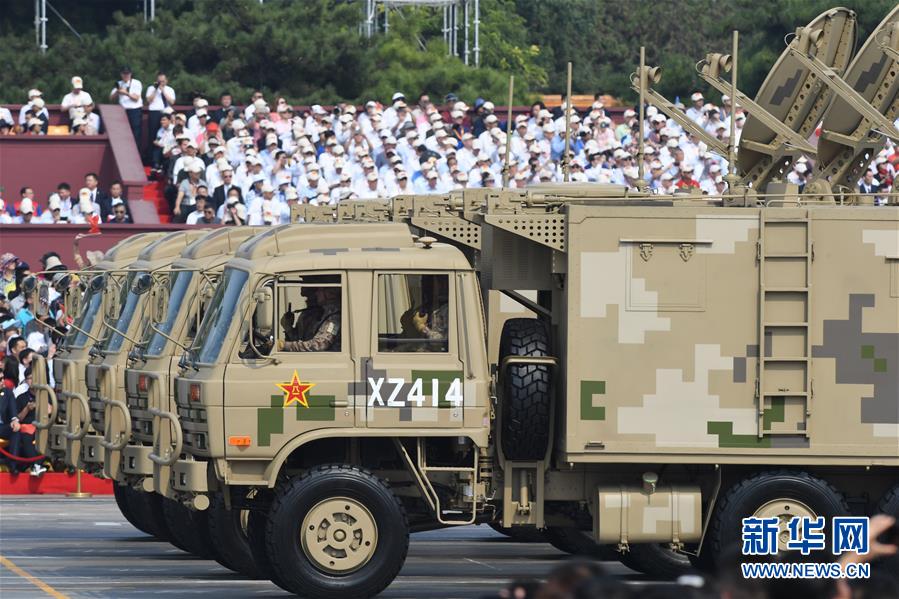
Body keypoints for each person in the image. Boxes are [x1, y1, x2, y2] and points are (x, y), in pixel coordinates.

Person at [278, 288, 340, 352]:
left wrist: (283, 345)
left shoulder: (334, 317)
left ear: (330, 294)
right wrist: (288, 327)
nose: (316, 293)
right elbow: (302, 340)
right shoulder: (321, 313)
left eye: (319, 290)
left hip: (326, 360)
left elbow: (318, 345)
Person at [110, 66, 143, 146]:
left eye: (127, 74)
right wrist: (118, 91)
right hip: (122, 111)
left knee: (135, 133)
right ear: (121, 74)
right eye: (124, 74)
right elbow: (111, 98)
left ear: (130, 74)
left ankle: (136, 152)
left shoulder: (136, 83)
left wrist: (126, 93)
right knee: (123, 132)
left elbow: (136, 98)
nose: (126, 76)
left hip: (134, 110)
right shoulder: (119, 83)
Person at [145, 71, 175, 159]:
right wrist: (156, 89)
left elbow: (172, 102)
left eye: (163, 81)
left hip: (166, 112)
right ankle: (152, 158)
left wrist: (163, 91)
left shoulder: (170, 89)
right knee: (154, 135)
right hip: (154, 112)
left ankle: (163, 157)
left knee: (166, 134)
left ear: (166, 81)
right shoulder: (151, 88)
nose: (161, 83)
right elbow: (149, 100)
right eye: (159, 81)